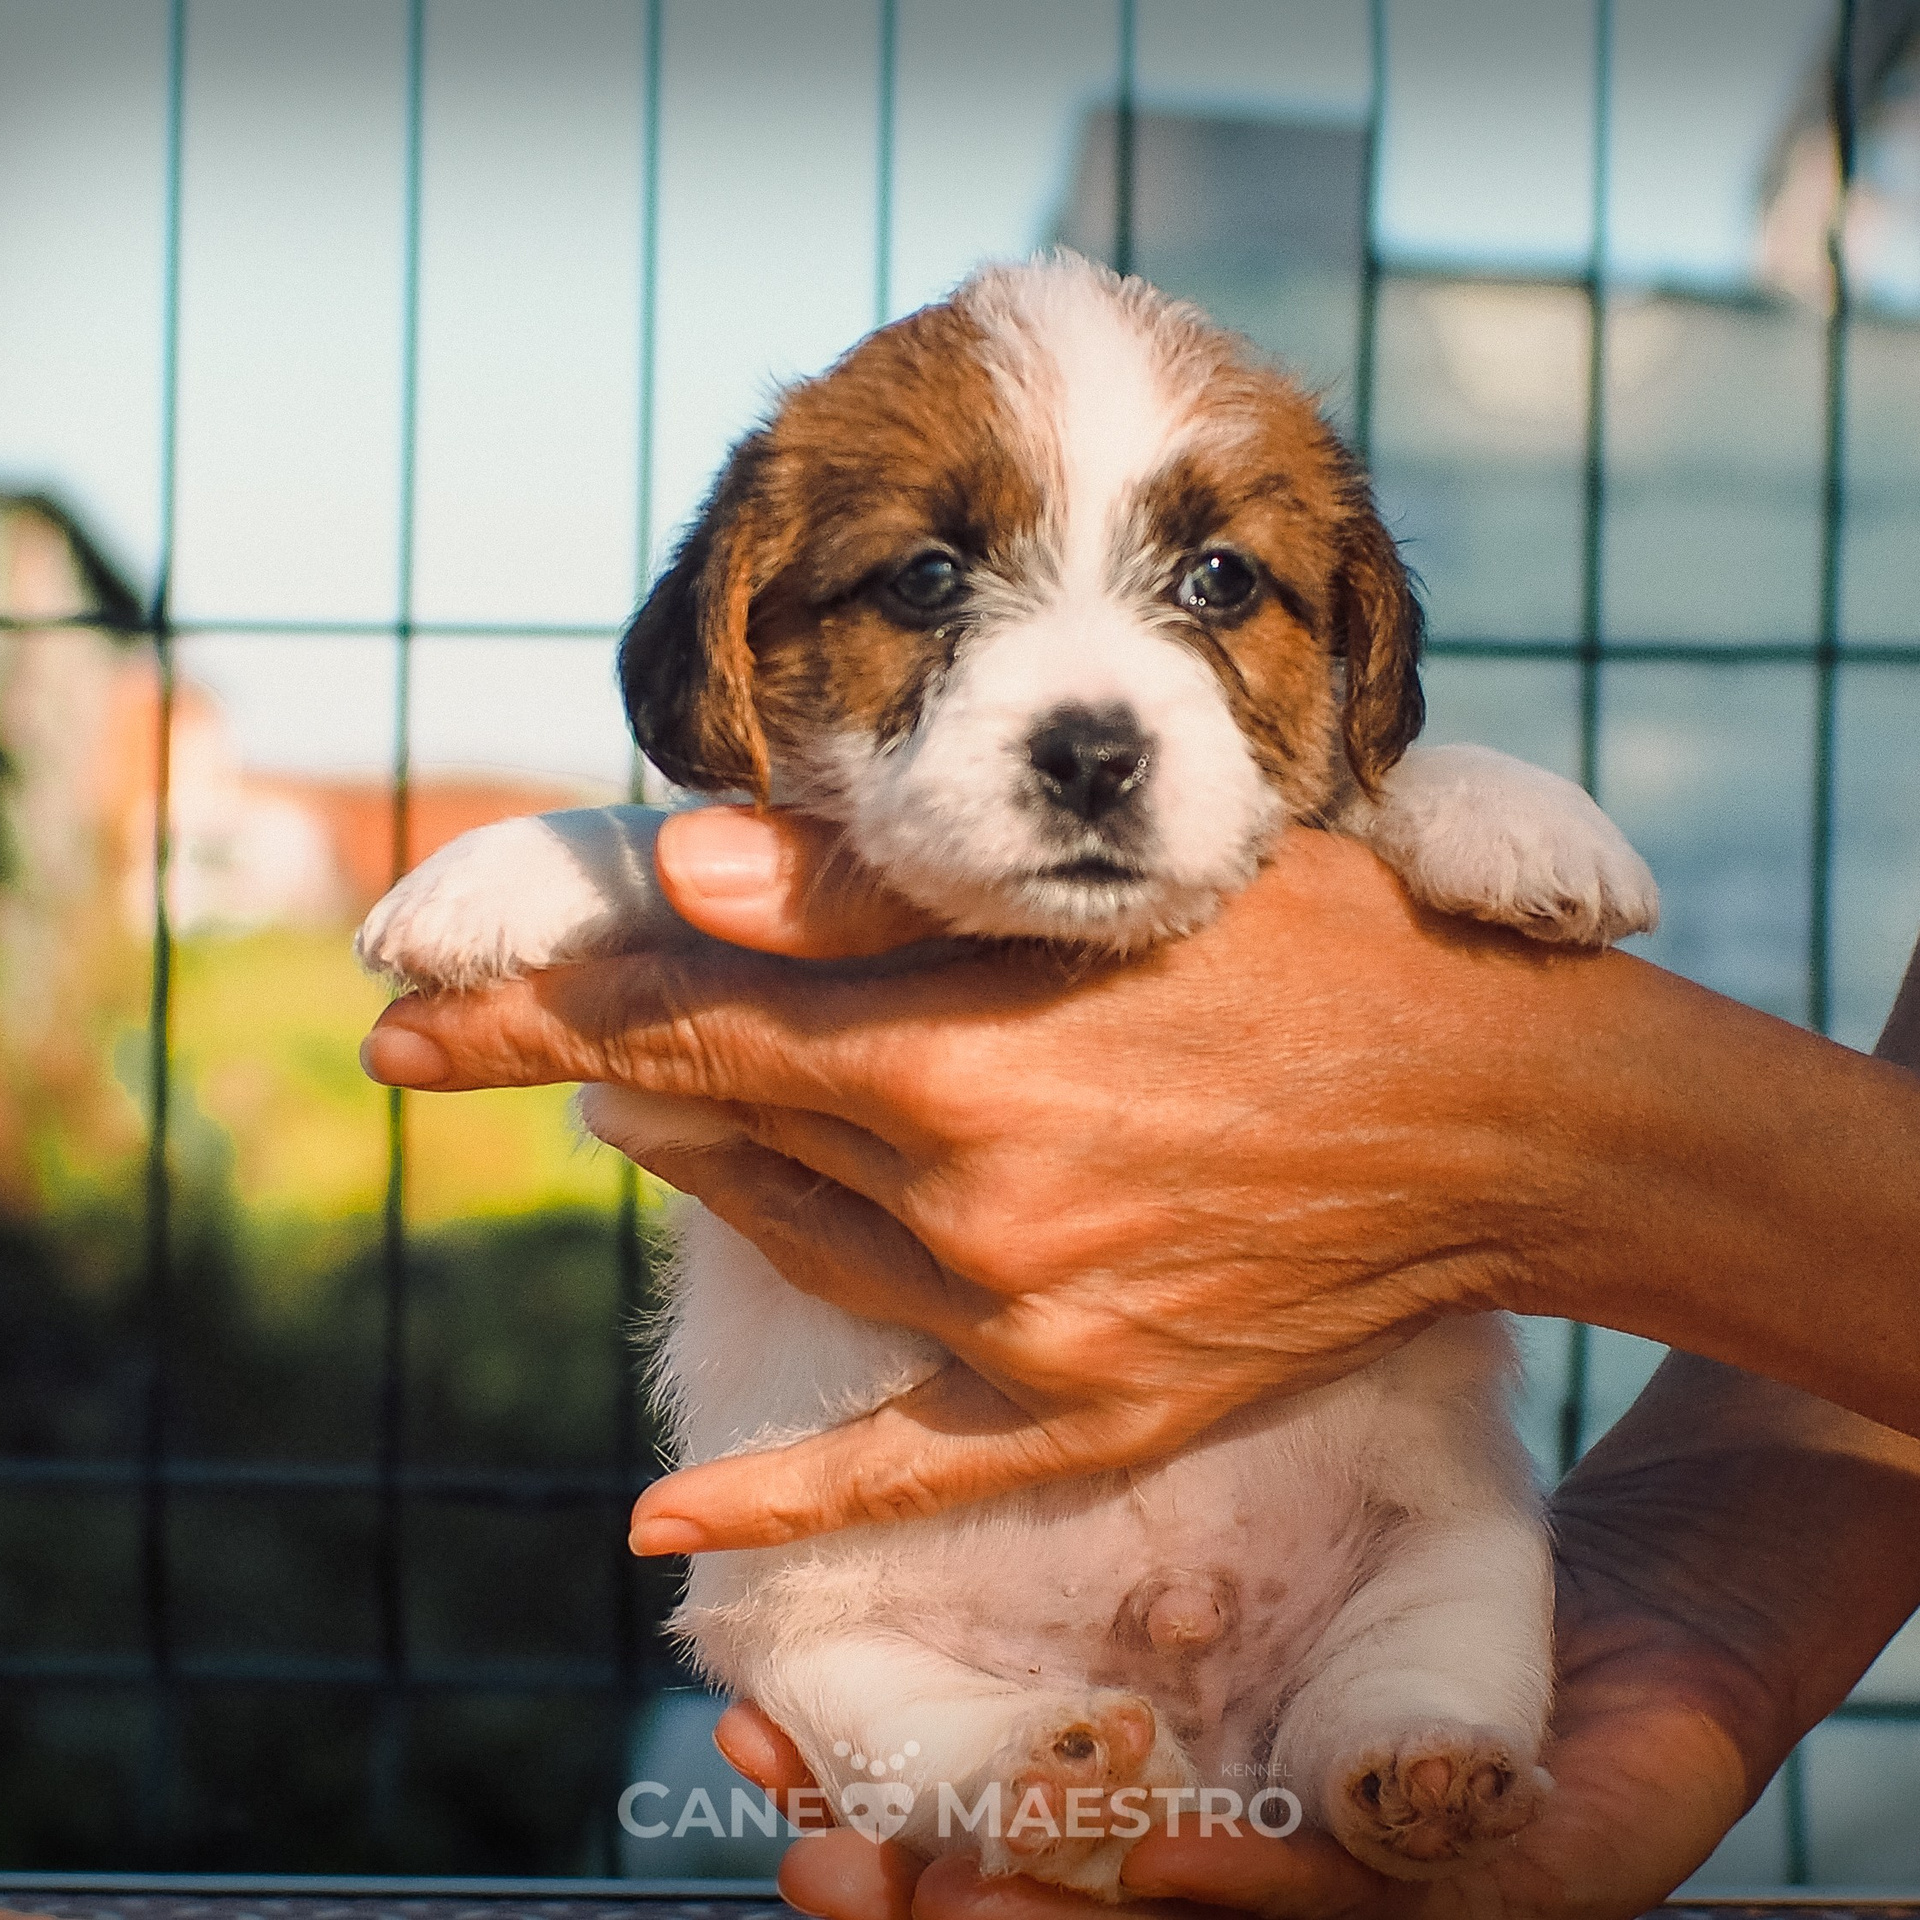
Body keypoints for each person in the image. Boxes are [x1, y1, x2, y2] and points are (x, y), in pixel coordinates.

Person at [362, 805, 1920, 1920]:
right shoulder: (778, 884)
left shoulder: (1352, 835)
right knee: (828, 1657)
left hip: (1354, 1552)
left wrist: (1517, 1000)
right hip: (925, 1607)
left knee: (1447, 1581)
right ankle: (1011, 1770)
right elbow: (656, 1108)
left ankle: (1405, 1725)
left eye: (1210, 587)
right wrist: (625, 883)